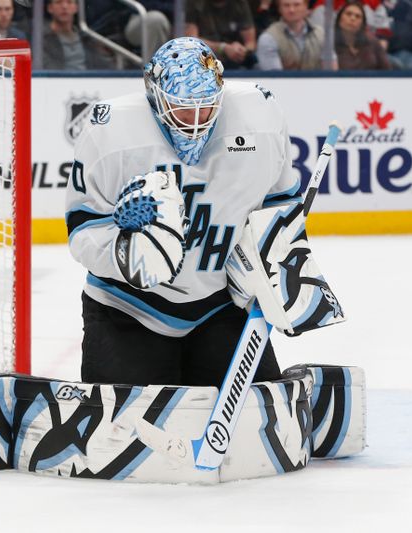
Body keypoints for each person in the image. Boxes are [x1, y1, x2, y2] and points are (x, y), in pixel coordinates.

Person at [65, 37, 302, 387]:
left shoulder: (260, 117)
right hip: (127, 307)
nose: (195, 121)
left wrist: (278, 264)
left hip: (223, 304)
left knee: (257, 415)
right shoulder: (111, 131)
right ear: (155, 97)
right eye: (181, 108)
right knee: (127, 421)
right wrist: (127, 257)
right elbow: (83, 228)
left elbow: (280, 204)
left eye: (205, 107)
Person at [185, 0, 258, 69]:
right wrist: (223, 48)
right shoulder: (195, 3)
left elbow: (250, 42)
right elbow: (192, 41)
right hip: (204, 61)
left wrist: (242, 51)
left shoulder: (239, 3)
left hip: (236, 62)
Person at [42, 0, 114, 70]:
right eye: (58, 2)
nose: (64, 6)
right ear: (50, 8)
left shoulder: (86, 38)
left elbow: (104, 66)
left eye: (69, 2)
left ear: (76, 8)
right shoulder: (41, 39)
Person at [256, 0, 327, 70]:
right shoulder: (268, 38)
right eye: (286, 5)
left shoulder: (321, 34)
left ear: (306, 7)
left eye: (297, 5)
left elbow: (330, 71)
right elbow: (274, 76)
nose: (291, 10)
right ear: (279, 9)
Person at [334, 0, 391, 69]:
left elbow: (387, 70)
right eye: (348, 14)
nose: (353, 18)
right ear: (339, 19)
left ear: (362, 24)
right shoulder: (329, 44)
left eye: (358, 16)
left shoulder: (372, 41)